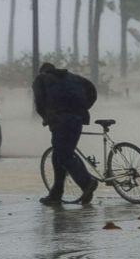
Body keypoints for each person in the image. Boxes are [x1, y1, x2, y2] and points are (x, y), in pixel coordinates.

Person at [32, 62, 98, 205]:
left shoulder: (41, 79)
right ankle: (56, 193)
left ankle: (87, 182)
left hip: (60, 120)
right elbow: (92, 90)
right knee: (59, 155)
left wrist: (46, 118)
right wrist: (83, 108)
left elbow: (38, 102)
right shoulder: (73, 77)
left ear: (42, 71)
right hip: (77, 119)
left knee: (63, 155)